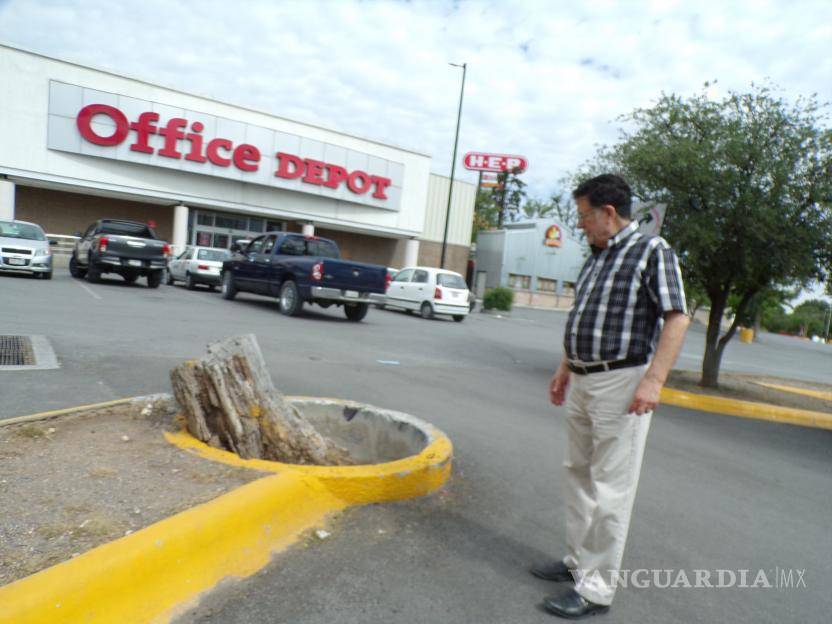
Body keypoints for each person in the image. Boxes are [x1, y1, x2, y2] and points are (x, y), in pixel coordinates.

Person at [532, 174, 690, 619]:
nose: (580, 224)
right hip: (583, 379)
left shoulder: (651, 252)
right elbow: (582, 315)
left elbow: (676, 318)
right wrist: (565, 368)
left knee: (610, 488)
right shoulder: (597, 257)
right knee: (577, 473)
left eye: (583, 215)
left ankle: (596, 590)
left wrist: (654, 380)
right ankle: (578, 563)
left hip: (622, 382)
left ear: (607, 212)